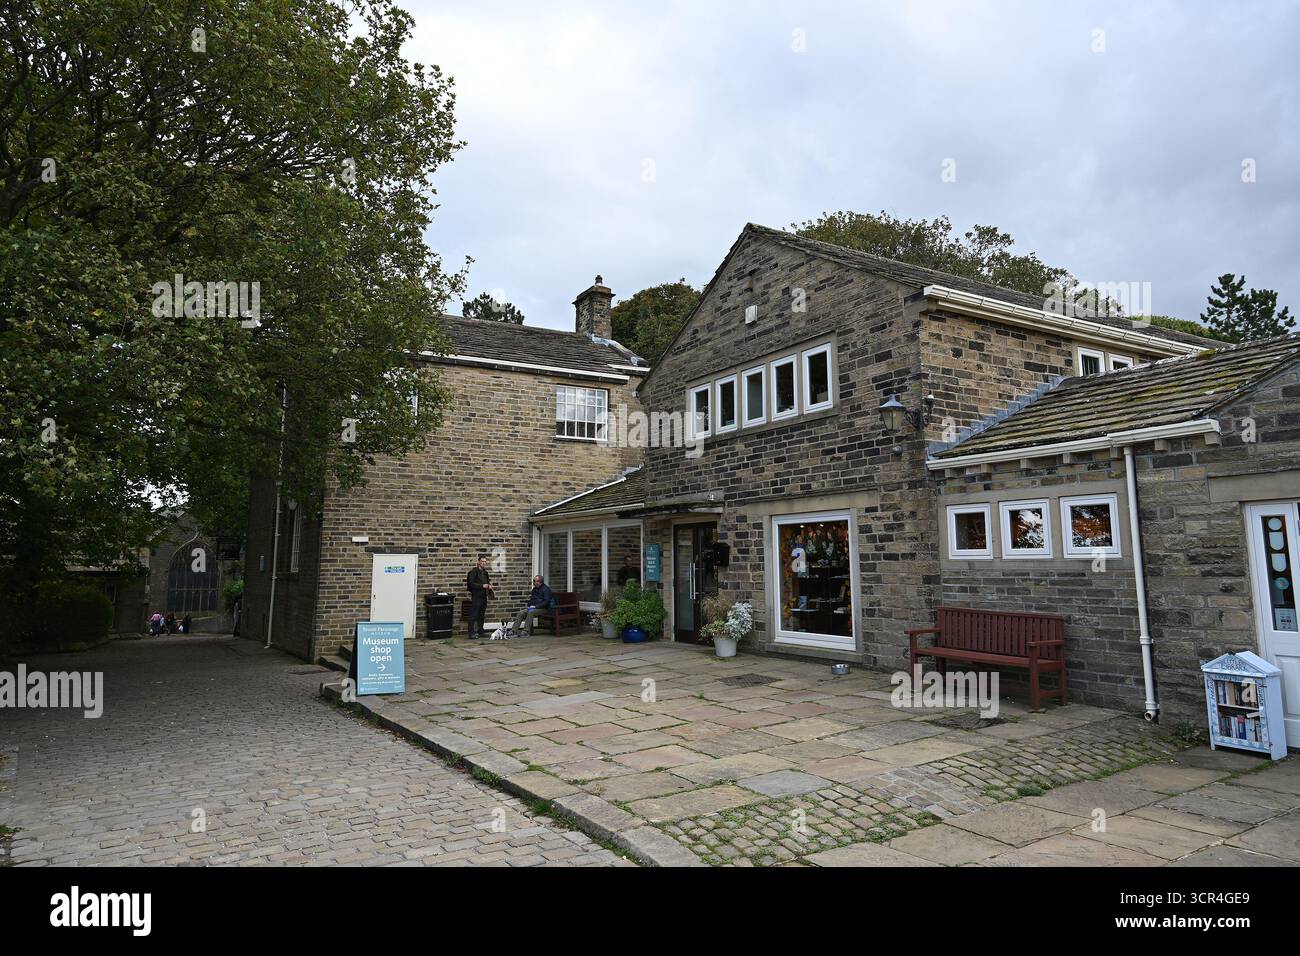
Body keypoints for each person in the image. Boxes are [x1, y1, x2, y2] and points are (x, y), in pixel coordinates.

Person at [465, 554, 494, 639]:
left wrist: (489, 585)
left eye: (485, 562)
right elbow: (471, 584)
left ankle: (481, 632)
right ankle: (471, 633)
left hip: (484, 596)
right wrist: (482, 586)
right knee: (473, 614)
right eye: (482, 561)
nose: (484, 563)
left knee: (481, 615)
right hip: (476, 596)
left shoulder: (485, 573)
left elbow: (487, 582)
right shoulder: (473, 572)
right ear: (478, 562)